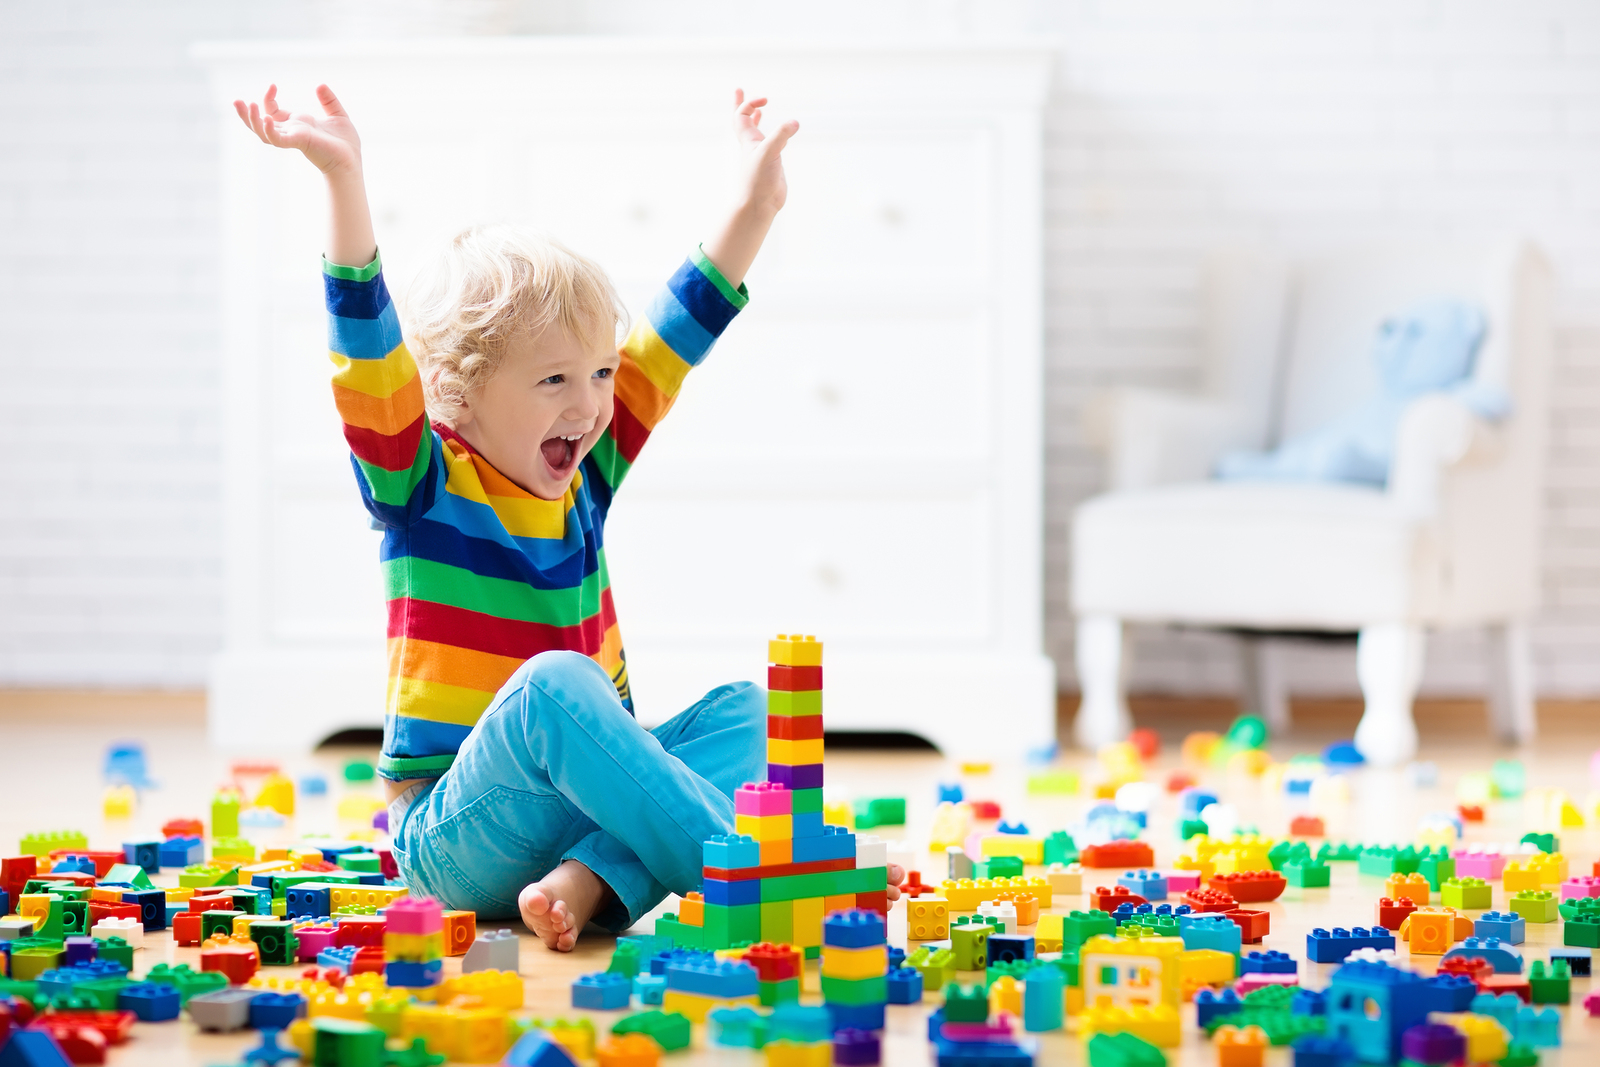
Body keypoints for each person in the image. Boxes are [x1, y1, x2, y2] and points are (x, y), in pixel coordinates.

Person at [234, 83, 905, 950]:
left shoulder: (585, 474)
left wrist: (753, 207)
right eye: (553, 379)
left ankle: (588, 878)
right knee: (558, 683)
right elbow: (365, 352)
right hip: (454, 837)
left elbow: (673, 336)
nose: (588, 406)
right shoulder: (421, 483)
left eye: (597, 374)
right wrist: (342, 180)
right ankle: (758, 873)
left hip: (575, 815)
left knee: (749, 713)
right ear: (458, 394)